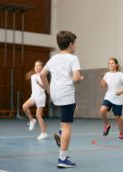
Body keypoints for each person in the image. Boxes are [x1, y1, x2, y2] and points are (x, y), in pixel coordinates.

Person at [40, 30, 83, 168]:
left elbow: (42, 74)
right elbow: (76, 78)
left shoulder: (53, 58)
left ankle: (60, 133)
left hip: (55, 94)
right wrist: (79, 78)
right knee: (67, 126)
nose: (76, 45)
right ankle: (62, 159)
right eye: (75, 43)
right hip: (66, 94)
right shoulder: (73, 58)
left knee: (74, 108)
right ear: (71, 44)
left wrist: (48, 89)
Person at [99, 57, 123, 140]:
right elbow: (104, 86)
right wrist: (102, 82)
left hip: (118, 99)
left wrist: (121, 92)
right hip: (108, 97)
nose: (110, 64)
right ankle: (107, 125)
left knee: (118, 118)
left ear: (116, 65)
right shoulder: (107, 74)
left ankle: (121, 133)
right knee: (102, 110)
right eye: (109, 63)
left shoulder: (121, 75)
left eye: (112, 63)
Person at [23, 60, 48, 140]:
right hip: (33, 96)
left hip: (41, 97)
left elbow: (46, 87)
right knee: (24, 106)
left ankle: (44, 133)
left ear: (42, 67)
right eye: (35, 65)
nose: (36, 67)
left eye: (38, 66)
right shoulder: (33, 76)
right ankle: (32, 120)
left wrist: (39, 83)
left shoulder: (43, 76)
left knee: (38, 115)